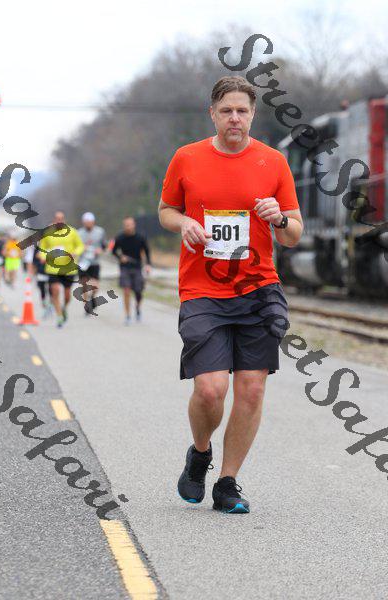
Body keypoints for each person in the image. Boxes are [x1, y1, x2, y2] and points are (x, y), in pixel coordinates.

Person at [158, 76, 303, 514]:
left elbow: (294, 234)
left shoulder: (273, 162)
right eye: (226, 111)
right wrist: (184, 222)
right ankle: (200, 453)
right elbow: (166, 210)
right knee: (210, 389)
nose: (234, 118)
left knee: (252, 389)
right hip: (203, 289)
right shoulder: (187, 157)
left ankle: (227, 482)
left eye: (242, 110)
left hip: (258, 289)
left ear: (253, 114)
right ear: (213, 114)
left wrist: (279, 218)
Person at [38, 210, 84, 328]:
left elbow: (80, 246)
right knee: (55, 290)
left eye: (61, 219)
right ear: (54, 220)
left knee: (67, 296)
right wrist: (43, 257)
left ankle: (64, 308)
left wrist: (75, 253)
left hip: (69, 268)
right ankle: (59, 316)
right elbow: (42, 248)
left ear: (64, 220)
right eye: (57, 219)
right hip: (52, 268)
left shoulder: (72, 232)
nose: (59, 221)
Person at [112, 216, 151, 325]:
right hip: (125, 267)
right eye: (126, 225)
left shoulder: (141, 237)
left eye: (129, 224)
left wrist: (148, 265)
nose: (128, 227)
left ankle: (138, 307)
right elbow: (114, 251)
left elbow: (147, 251)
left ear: (134, 225)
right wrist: (120, 257)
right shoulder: (120, 237)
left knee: (138, 291)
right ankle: (128, 315)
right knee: (126, 290)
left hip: (137, 267)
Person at [77, 212, 106, 316]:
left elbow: (104, 245)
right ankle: (86, 306)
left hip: (94, 262)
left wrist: (100, 250)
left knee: (95, 285)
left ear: (93, 222)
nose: (88, 224)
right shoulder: (79, 233)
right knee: (84, 285)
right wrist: (81, 248)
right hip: (83, 262)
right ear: (83, 222)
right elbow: (75, 246)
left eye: (90, 222)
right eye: (86, 222)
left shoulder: (100, 231)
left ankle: (92, 298)